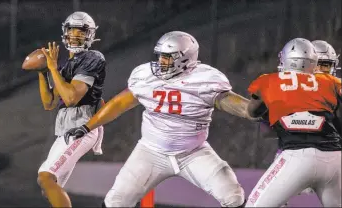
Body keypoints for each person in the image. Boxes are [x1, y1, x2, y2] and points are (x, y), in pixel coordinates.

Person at [65, 31, 259, 207]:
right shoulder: (146, 75)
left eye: (168, 57)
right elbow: (119, 104)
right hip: (150, 152)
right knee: (116, 201)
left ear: (186, 58)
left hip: (193, 152)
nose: (161, 62)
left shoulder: (205, 79)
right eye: (160, 56)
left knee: (233, 195)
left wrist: (251, 109)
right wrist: (88, 126)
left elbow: (227, 101)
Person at [245, 38, 341, 207]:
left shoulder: (269, 80)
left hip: (297, 156)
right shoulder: (330, 82)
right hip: (334, 158)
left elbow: (252, 111)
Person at [36, 11, 106, 208]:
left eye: (80, 33)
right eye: (72, 32)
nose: (75, 36)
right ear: (65, 33)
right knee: (47, 185)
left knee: (46, 177)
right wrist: (42, 72)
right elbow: (49, 103)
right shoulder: (69, 65)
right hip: (66, 130)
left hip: (82, 127)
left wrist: (52, 69)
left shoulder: (93, 58)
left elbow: (71, 98)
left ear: (90, 35)